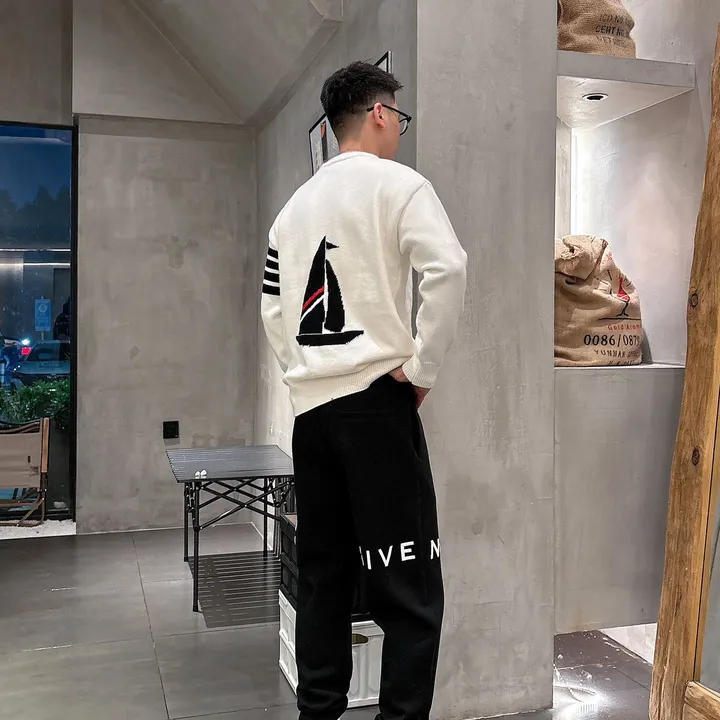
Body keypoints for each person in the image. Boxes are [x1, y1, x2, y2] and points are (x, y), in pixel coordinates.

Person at [261, 61, 467, 720]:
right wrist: (422, 368)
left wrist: (304, 372)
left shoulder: (292, 211)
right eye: (398, 117)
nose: (399, 129)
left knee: (323, 580)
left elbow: (273, 310)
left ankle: (318, 713)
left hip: (312, 415)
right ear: (379, 113)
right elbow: (448, 268)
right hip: (377, 407)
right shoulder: (399, 186)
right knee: (408, 587)